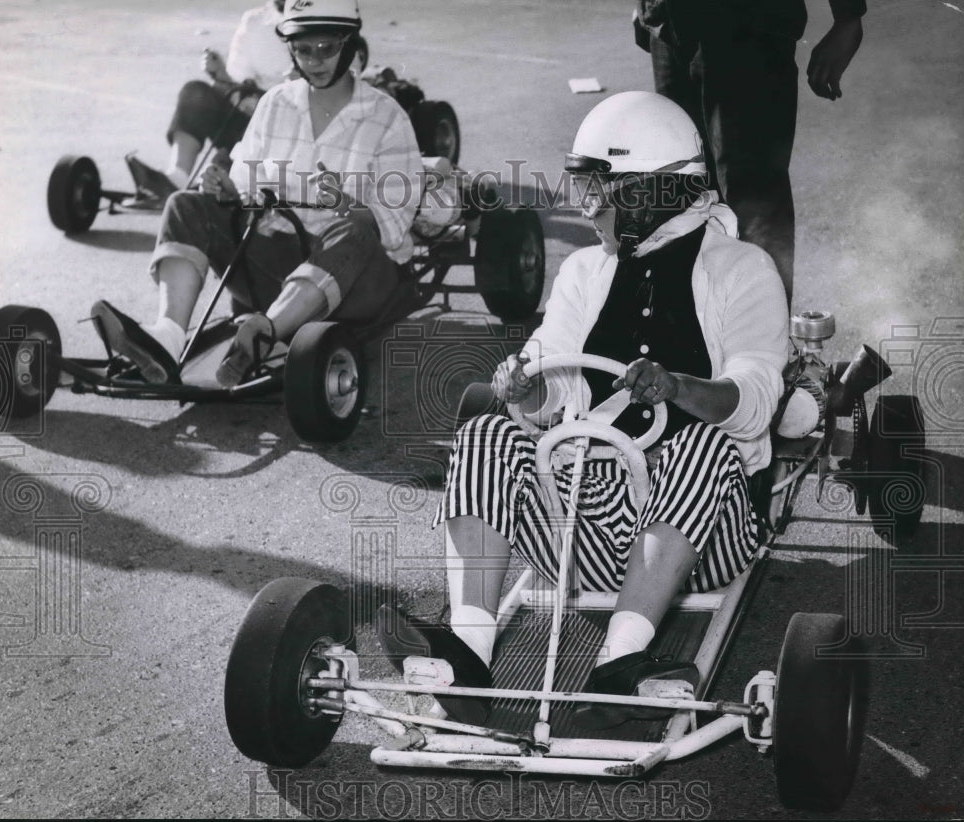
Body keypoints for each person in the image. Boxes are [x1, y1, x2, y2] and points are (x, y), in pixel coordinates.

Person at [377, 91, 790, 728]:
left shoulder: (743, 269)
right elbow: (557, 383)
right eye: (586, 186)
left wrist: (680, 389)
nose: (586, 205)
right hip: (582, 522)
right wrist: (527, 388)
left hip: (705, 535)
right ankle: (468, 651)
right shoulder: (583, 271)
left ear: (654, 192)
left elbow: (757, 398)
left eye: (603, 189)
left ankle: (622, 660)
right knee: (487, 431)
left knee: (703, 443)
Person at [90, 0, 423, 388]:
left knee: (352, 231)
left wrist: (347, 205)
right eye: (302, 49)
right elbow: (246, 189)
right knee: (185, 205)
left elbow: (395, 226)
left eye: (326, 48)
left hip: (358, 281)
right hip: (274, 270)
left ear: (350, 43)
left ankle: (264, 335)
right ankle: (167, 337)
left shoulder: (387, 118)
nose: (314, 61)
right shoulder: (275, 103)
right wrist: (228, 190)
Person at [632, 0, 867, 304]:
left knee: (753, 202)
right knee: (682, 195)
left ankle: (763, 341)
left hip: (747, 24)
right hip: (670, 20)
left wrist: (847, 17)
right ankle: (693, 341)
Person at [150, 0, 293, 195]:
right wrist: (219, 73)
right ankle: (177, 178)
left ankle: (228, 174)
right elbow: (236, 81)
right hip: (245, 119)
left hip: (288, 129)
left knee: (223, 171)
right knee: (195, 92)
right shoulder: (254, 21)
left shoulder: (323, 20)